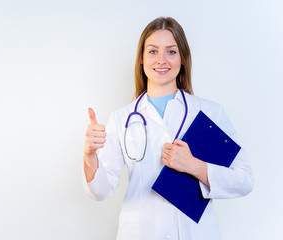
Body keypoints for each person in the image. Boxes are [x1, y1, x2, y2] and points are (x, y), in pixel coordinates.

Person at [83, 17, 254, 240]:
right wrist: (89, 155)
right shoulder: (122, 118)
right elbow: (100, 192)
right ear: (142, 59)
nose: (161, 60)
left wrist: (193, 165)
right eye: (153, 51)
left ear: (182, 57)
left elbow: (244, 180)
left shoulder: (210, 113)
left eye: (171, 51)